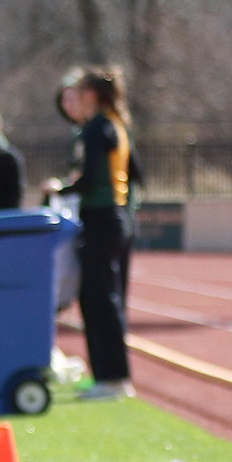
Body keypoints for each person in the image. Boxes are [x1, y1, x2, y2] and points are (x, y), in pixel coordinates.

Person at [48, 67, 134, 399]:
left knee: (102, 300)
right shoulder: (110, 125)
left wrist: (62, 188)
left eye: (79, 94)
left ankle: (113, 378)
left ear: (91, 96)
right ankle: (107, 376)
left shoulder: (99, 128)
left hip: (103, 217)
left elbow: (91, 177)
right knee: (96, 298)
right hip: (106, 217)